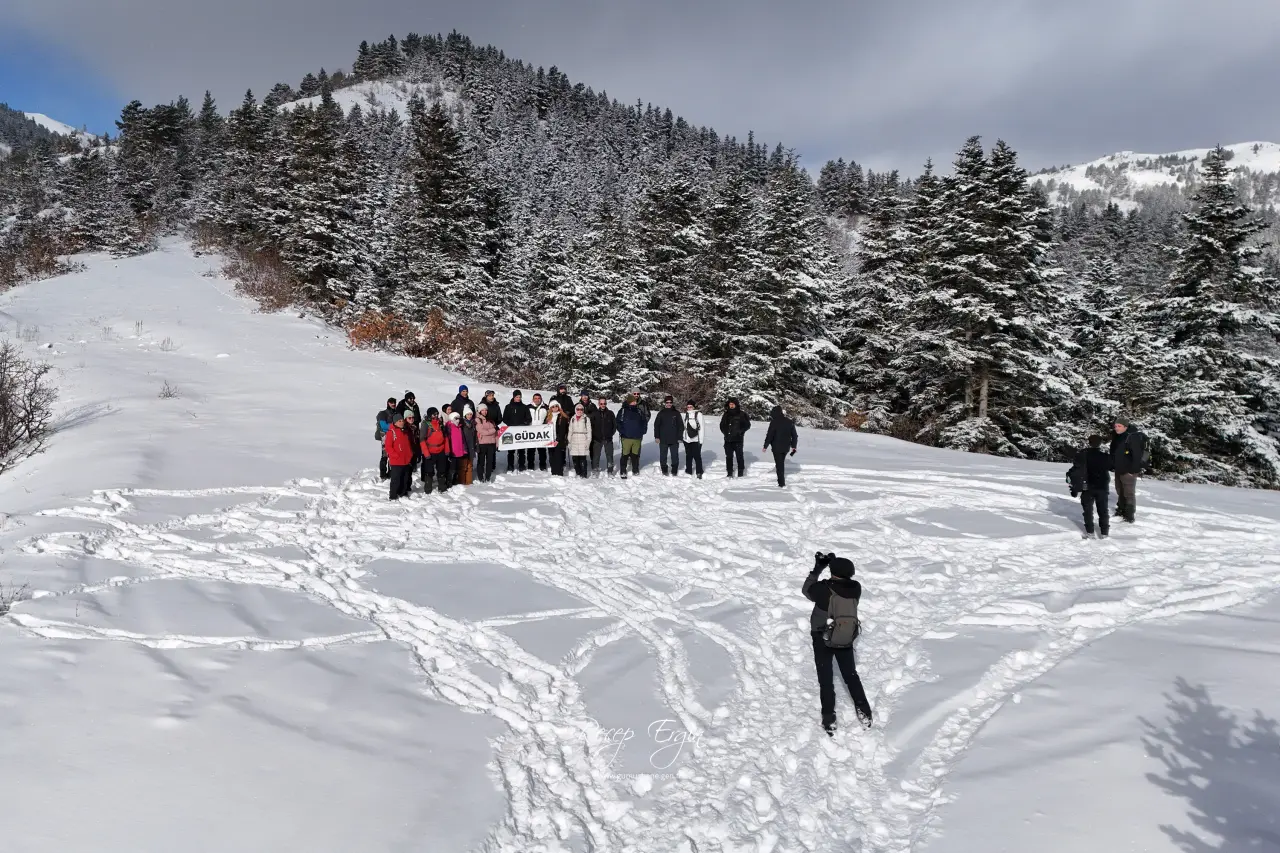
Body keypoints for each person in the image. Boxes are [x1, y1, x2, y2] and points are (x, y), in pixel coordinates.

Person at [803, 552, 873, 734]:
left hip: (821, 636)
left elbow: (806, 590)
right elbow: (841, 583)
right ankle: (865, 712)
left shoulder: (823, 588)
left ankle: (829, 719)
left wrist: (818, 568)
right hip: (845, 635)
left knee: (825, 679)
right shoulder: (856, 588)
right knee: (851, 676)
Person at [1068, 434, 1112, 539]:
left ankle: (1090, 532)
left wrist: (1074, 486)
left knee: (1087, 510)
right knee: (1103, 510)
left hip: (1087, 486)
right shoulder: (1105, 457)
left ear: (1089, 442)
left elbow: (1075, 470)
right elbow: (1113, 466)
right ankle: (1104, 533)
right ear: (1100, 444)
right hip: (1102, 486)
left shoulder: (1082, 455)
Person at [1110, 418, 1148, 524]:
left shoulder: (1132, 437)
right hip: (1119, 469)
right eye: (1115, 426)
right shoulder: (1117, 437)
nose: (1116, 428)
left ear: (1125, 427)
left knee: (1129, 493)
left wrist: (1133, 470)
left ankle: (1129, 514)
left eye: (1119, 426)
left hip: (1129, 471)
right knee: (1119, 490)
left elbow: (1136, 455)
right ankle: (1121, 510)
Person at [763, 405, 798, 487]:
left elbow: (770, 435)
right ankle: (781, 479)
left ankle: (781, 483)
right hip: (786, 447)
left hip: (776, 447)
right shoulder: (789, 422)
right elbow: (794, 435)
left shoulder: (774, 422)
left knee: (779, 465)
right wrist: (793, 446)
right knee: (780, 462)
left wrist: (765, 446)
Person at [419, 407, 452, 494]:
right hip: (430, 451)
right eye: (434, 414)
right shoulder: (426, 424)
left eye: (437, 414)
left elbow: (445, 437)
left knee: (441, 470)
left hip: (441, 450)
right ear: (430, 415)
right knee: (429, 471)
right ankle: (428, 488)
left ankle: (442, 487)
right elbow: (422, 439)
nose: (436, 416)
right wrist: (426, 453)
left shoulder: (440, 423)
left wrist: (447, 450)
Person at [383, 412, 415, 500]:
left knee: (405, 478)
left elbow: (408, 444)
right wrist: (395, 455)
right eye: (399, 421)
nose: (402, 422)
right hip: (396, 460)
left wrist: (410, 454)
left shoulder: (405, 431)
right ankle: (393, 495)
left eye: (402, 421)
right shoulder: (391, 432)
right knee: (395, 480)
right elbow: (388, 446)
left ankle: (403, 493)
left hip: (406, 459)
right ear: (395, 422)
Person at [616, 393, 649, 479]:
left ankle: (635, 469)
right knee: (625, 455)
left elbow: (644, 422)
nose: (634, 403)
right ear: (629, 402)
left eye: (635, 401)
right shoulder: (623, 411)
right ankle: (623, 471)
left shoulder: (639, 411)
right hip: (626, 438)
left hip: (637, 438)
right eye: (632, 401)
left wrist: (643, 431)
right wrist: (623, 431)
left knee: (635, 455)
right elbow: (618, 422)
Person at [653, 395, 683, 475]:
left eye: (670, 402)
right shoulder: (661, 413)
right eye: (667, 402)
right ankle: (664, 469)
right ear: (665, 403)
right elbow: (656, 425)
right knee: (663, 456)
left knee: (674, 456)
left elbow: (681, 426)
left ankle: (674, 470)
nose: (669, 404)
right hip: (663, 439)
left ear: (672, 403)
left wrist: (680, 437)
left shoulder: (676, 413)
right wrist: (657, 436)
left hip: (674, 439)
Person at [720, 398, 751, 477]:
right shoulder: (726, 414)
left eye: (733, 404)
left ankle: (740, 472)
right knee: (729, 456)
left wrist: (740, 432)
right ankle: (729, 472)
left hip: (738, 439)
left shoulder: (742, 414)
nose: (731, 405)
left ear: (736, 405)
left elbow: (747, 425)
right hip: (728, 439)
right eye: (730, 404)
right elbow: (722, 425)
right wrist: (725, 433)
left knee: (739, 456)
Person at [503, 390, 533, 472]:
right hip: (511, 431)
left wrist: (524, 423)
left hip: (521, 431)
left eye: (519, 397)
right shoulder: (508, 407)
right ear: (513, 397)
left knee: (521, 451)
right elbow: (504, 418)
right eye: (517, 397)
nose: (518, 398)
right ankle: (510, 466)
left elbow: (529, 418)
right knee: (511, 451)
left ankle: (522, 465)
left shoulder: (524, 407)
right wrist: (510, 424)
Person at [446, 411, 474, 486]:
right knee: (452, 469)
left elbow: (463, 440)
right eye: (456, 418)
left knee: (458, 468)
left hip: (460, 452)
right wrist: (448, 451)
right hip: (452, 452)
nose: (457, 420)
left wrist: (464, 450)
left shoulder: (459, 427)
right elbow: (447, 440)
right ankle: (449, 482)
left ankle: (455, 481)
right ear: (452, 419)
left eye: (459, 418)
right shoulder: (449, 427)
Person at [590, 396, 616, 476]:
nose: (603, 405)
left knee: (610, 456)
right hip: (597, 439)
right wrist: (594, 435)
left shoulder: (610, 413)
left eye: (604, 403)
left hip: (608, 439)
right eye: (601, 403)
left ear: (606, 404)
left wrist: (610, 434)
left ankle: (610, 471)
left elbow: (614, 426)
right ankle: (595, 470)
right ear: (598, 404)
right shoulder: (594, 414)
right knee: (596, 456)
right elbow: (591, 426)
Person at [476, 403, 500, 482]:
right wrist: (494, 430)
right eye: (482, 410)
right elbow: (483, 432)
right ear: (479, 411)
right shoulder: (478, 420)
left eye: (486, 410)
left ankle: (488, 477)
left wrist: (497, 444)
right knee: (481, 462)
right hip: (482, 444)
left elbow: (496, 434)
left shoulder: (491, 420)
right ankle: (480, 477)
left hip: (491, 444)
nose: (485, 412)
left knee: (490, 462)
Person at [376, 396, 398, 480]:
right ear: (388, 403)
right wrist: (394, 426)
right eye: (391, 402)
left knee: (392, 454)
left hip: (394, 435)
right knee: (385, 455)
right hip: (385, 435)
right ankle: (383, 473)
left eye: (394, 402)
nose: (393, 404)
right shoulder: (383, 413)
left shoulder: (396, 413)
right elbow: (383, 425)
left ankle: (390, 472)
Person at [568, 403, 594, 478]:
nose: (579, 411)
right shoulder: (572, 419)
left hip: (583, 438)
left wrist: (588, 441)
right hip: (574, 439)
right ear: (575, 410)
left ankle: (584, 474)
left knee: (582, 458)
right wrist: (569, 441)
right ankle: (578, 472)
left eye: (581, 409)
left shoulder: (586, 419)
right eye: (578, 409)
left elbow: (589, 431)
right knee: (575, 458)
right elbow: (570, 431)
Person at [682, 400, 705, 478]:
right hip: (686, 439)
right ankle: (688, 470)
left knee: (697, 456)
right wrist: (683, 437)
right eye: (688, 406)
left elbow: (701, 428)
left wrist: (701, 441)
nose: (689, 408)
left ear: (694, 407)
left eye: (690, 406)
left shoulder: (698, 414)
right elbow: (685, 427)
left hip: (695, 439)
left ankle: (699, 471)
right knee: (688, 455)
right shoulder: (687, 414)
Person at [546, 401, 569, 476]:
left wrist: (558, 440)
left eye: (556, 406)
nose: (555, 408)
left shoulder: (562, 416)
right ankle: (553, 473)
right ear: (550, 408)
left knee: (558, 457)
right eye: (553, 406)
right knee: (551, 456)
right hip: (550, 440)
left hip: (559, 440)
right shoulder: (549, 417)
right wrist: (547, 424)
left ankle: (559, 473)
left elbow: (563, 430)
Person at [528, 393, 550, 471]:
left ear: (541, 399)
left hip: (542, 432)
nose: (537, 400)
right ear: (533, 399)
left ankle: (543, 466)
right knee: (531, 451)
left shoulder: (546, 407)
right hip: (531, 432)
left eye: (538, 398)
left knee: (542, 451)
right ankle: (530, 466)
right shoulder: (528, 407)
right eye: (535, 398)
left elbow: (549, 417)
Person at [402, 409, 422, 491]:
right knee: (405, 472)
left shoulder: (415, 428)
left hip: (414, 452)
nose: (411, 419)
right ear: (405, 419)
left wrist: (419, 453)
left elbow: (417, 441)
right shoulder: (404, 428)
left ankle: (408, 487)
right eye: (409, 418)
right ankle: (403, 488)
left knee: (410, 472)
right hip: (406, 453)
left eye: (412, 418)